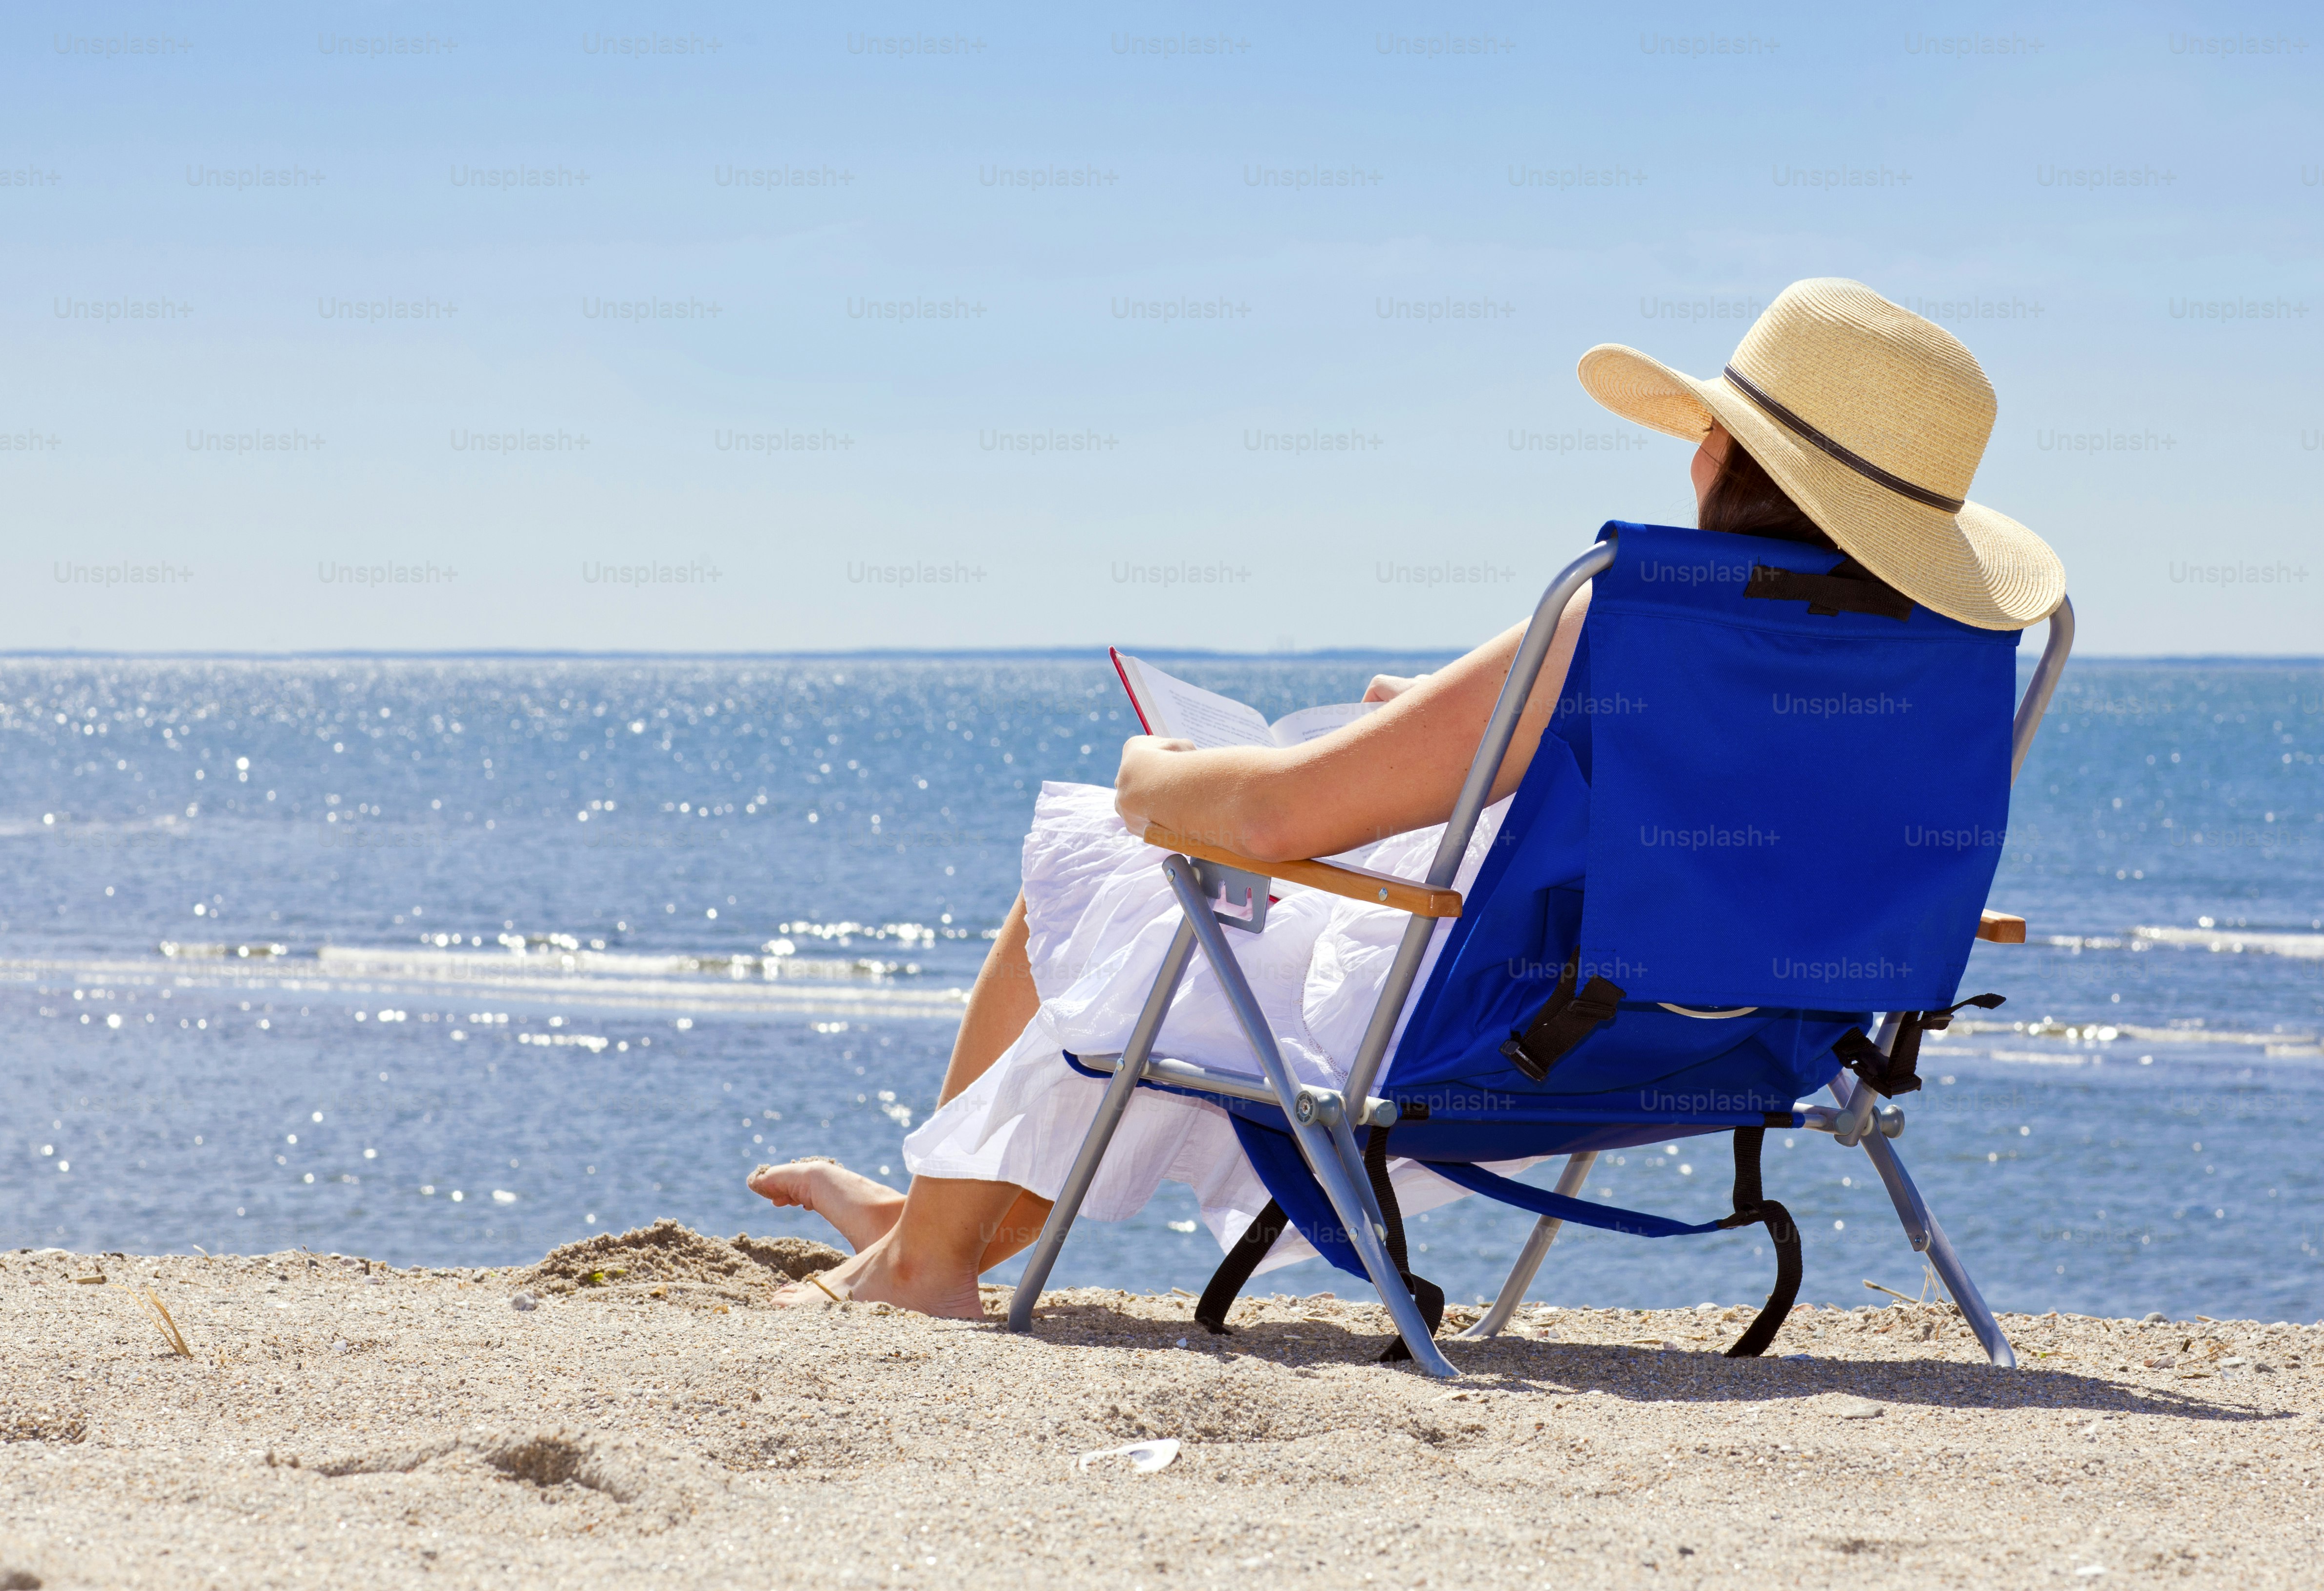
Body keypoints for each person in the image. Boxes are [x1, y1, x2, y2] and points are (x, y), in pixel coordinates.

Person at [745, 278, 2065, 1317]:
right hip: (1743, 1050)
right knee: (1195, 924)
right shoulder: (1925, 668)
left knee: (1117, 854)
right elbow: (1738, 833)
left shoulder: (1620, 622)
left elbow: (1271, 820)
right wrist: (1454, 729)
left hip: (1493, 1038)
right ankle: (921, 1227)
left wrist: (1152, 776)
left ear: (1722, 448)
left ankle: (927, 1261)